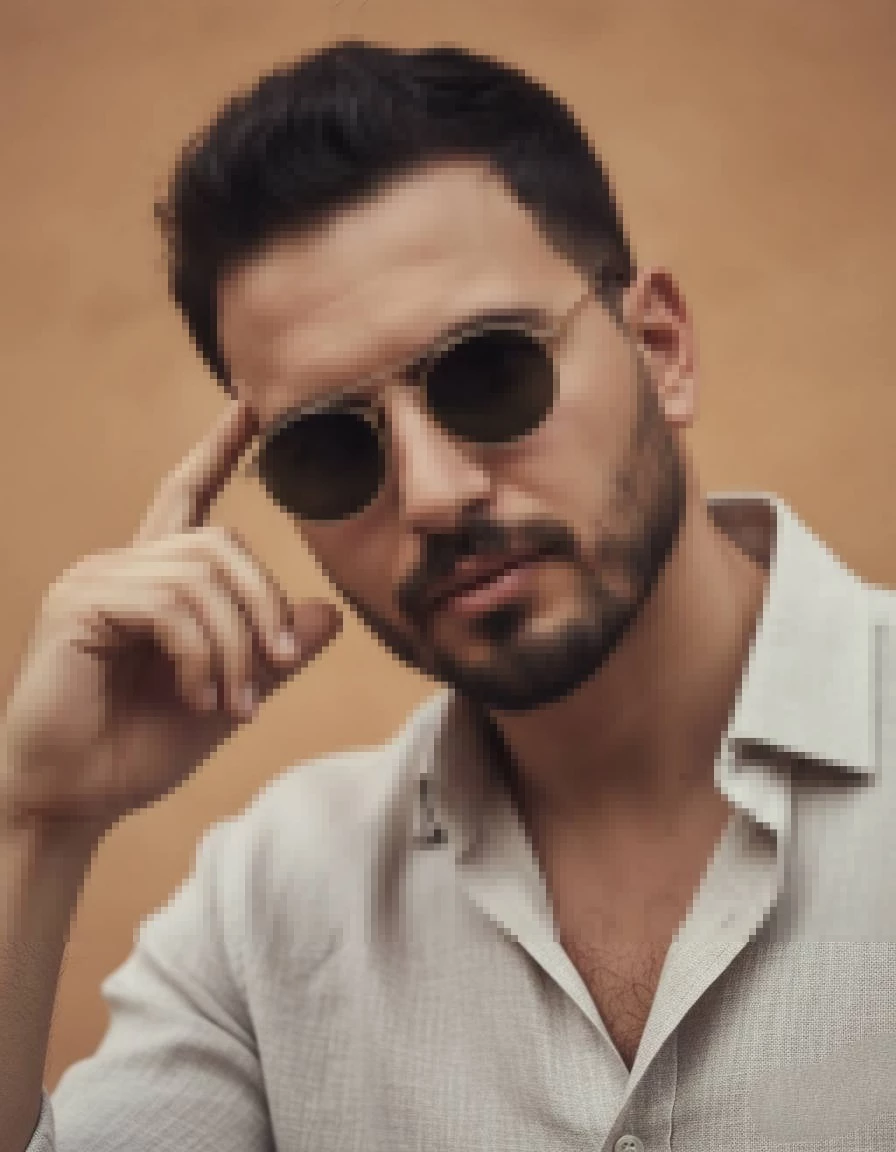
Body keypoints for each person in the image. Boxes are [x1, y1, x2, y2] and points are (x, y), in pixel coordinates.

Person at [2, 39, 893, 1152]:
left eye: (488, 372)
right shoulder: (273, 905)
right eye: (329, 449)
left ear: (659, 348)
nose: (430, 494)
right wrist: (34, 827)